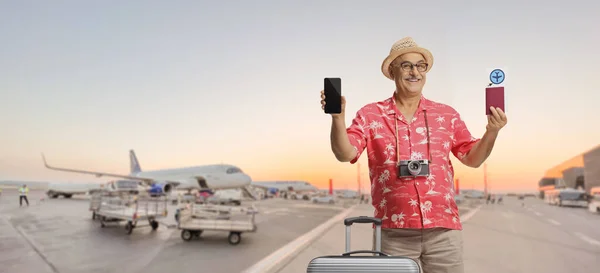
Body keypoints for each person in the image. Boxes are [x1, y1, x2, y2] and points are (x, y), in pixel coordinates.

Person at [320, 37, 507, 273]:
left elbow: (473, 158)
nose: (414, 72)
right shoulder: (370, 114)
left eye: (420, 66)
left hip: (443, 231)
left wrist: (492, 131)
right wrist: (338, 119)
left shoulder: (446, 115)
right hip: (393, 231)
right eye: (407, 65)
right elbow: (345, 153)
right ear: (392, 71)